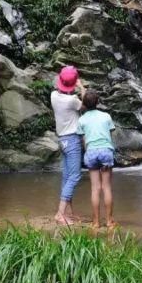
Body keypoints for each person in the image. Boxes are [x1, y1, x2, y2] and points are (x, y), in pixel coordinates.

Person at [51, 65, 85, 225]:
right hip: (72, 140)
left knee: (66, 176)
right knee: (75, 176)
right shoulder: (72, 101)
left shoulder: (53, 96)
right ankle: (60, 214)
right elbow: (86, 106)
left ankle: (69, 212)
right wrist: (81, 87)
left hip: (62, 140)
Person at [77, 90, 117, 229]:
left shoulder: (81, 119)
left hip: (91, 152)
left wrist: (88, 151)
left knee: (95, 188)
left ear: (84, 104)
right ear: (98, 102)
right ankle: (109, 221)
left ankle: (95, 222)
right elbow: (110, 134)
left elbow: (84, 140)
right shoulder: (106, 116)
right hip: (106, 151)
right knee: (106, 187)